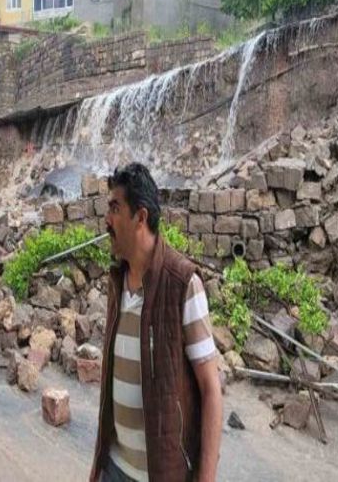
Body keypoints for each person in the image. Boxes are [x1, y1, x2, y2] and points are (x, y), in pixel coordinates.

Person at [90, 163, 223, 482]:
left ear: (141, 217)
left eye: (115, 208)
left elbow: (211, 390)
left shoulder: (183, 284)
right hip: (114, 467)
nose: (106, 220)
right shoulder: (117, 281)